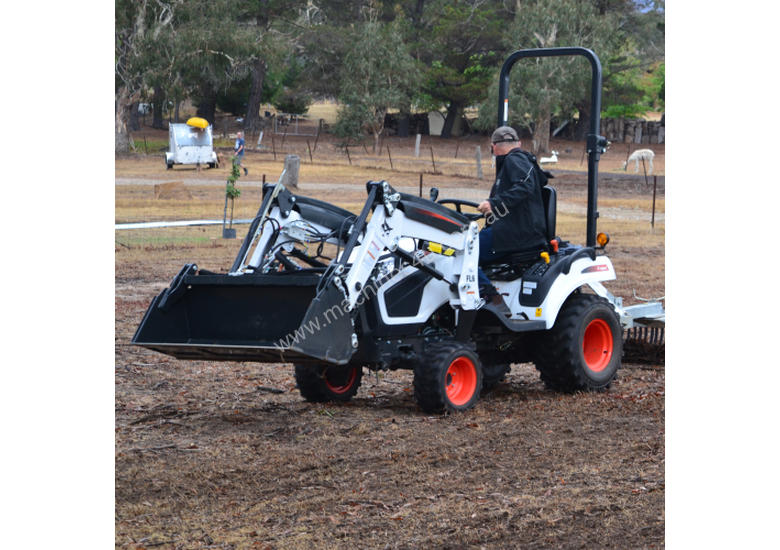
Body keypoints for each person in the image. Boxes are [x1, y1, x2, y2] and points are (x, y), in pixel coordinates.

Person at [476, 126, 548, 304]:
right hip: (517, 230)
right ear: (519, 143)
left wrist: (494, 203)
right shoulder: (519, 161)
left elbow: (525, 186)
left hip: (514, 234)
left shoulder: (514, 160)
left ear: (493, 147)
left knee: (460, 253)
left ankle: (491, 298)